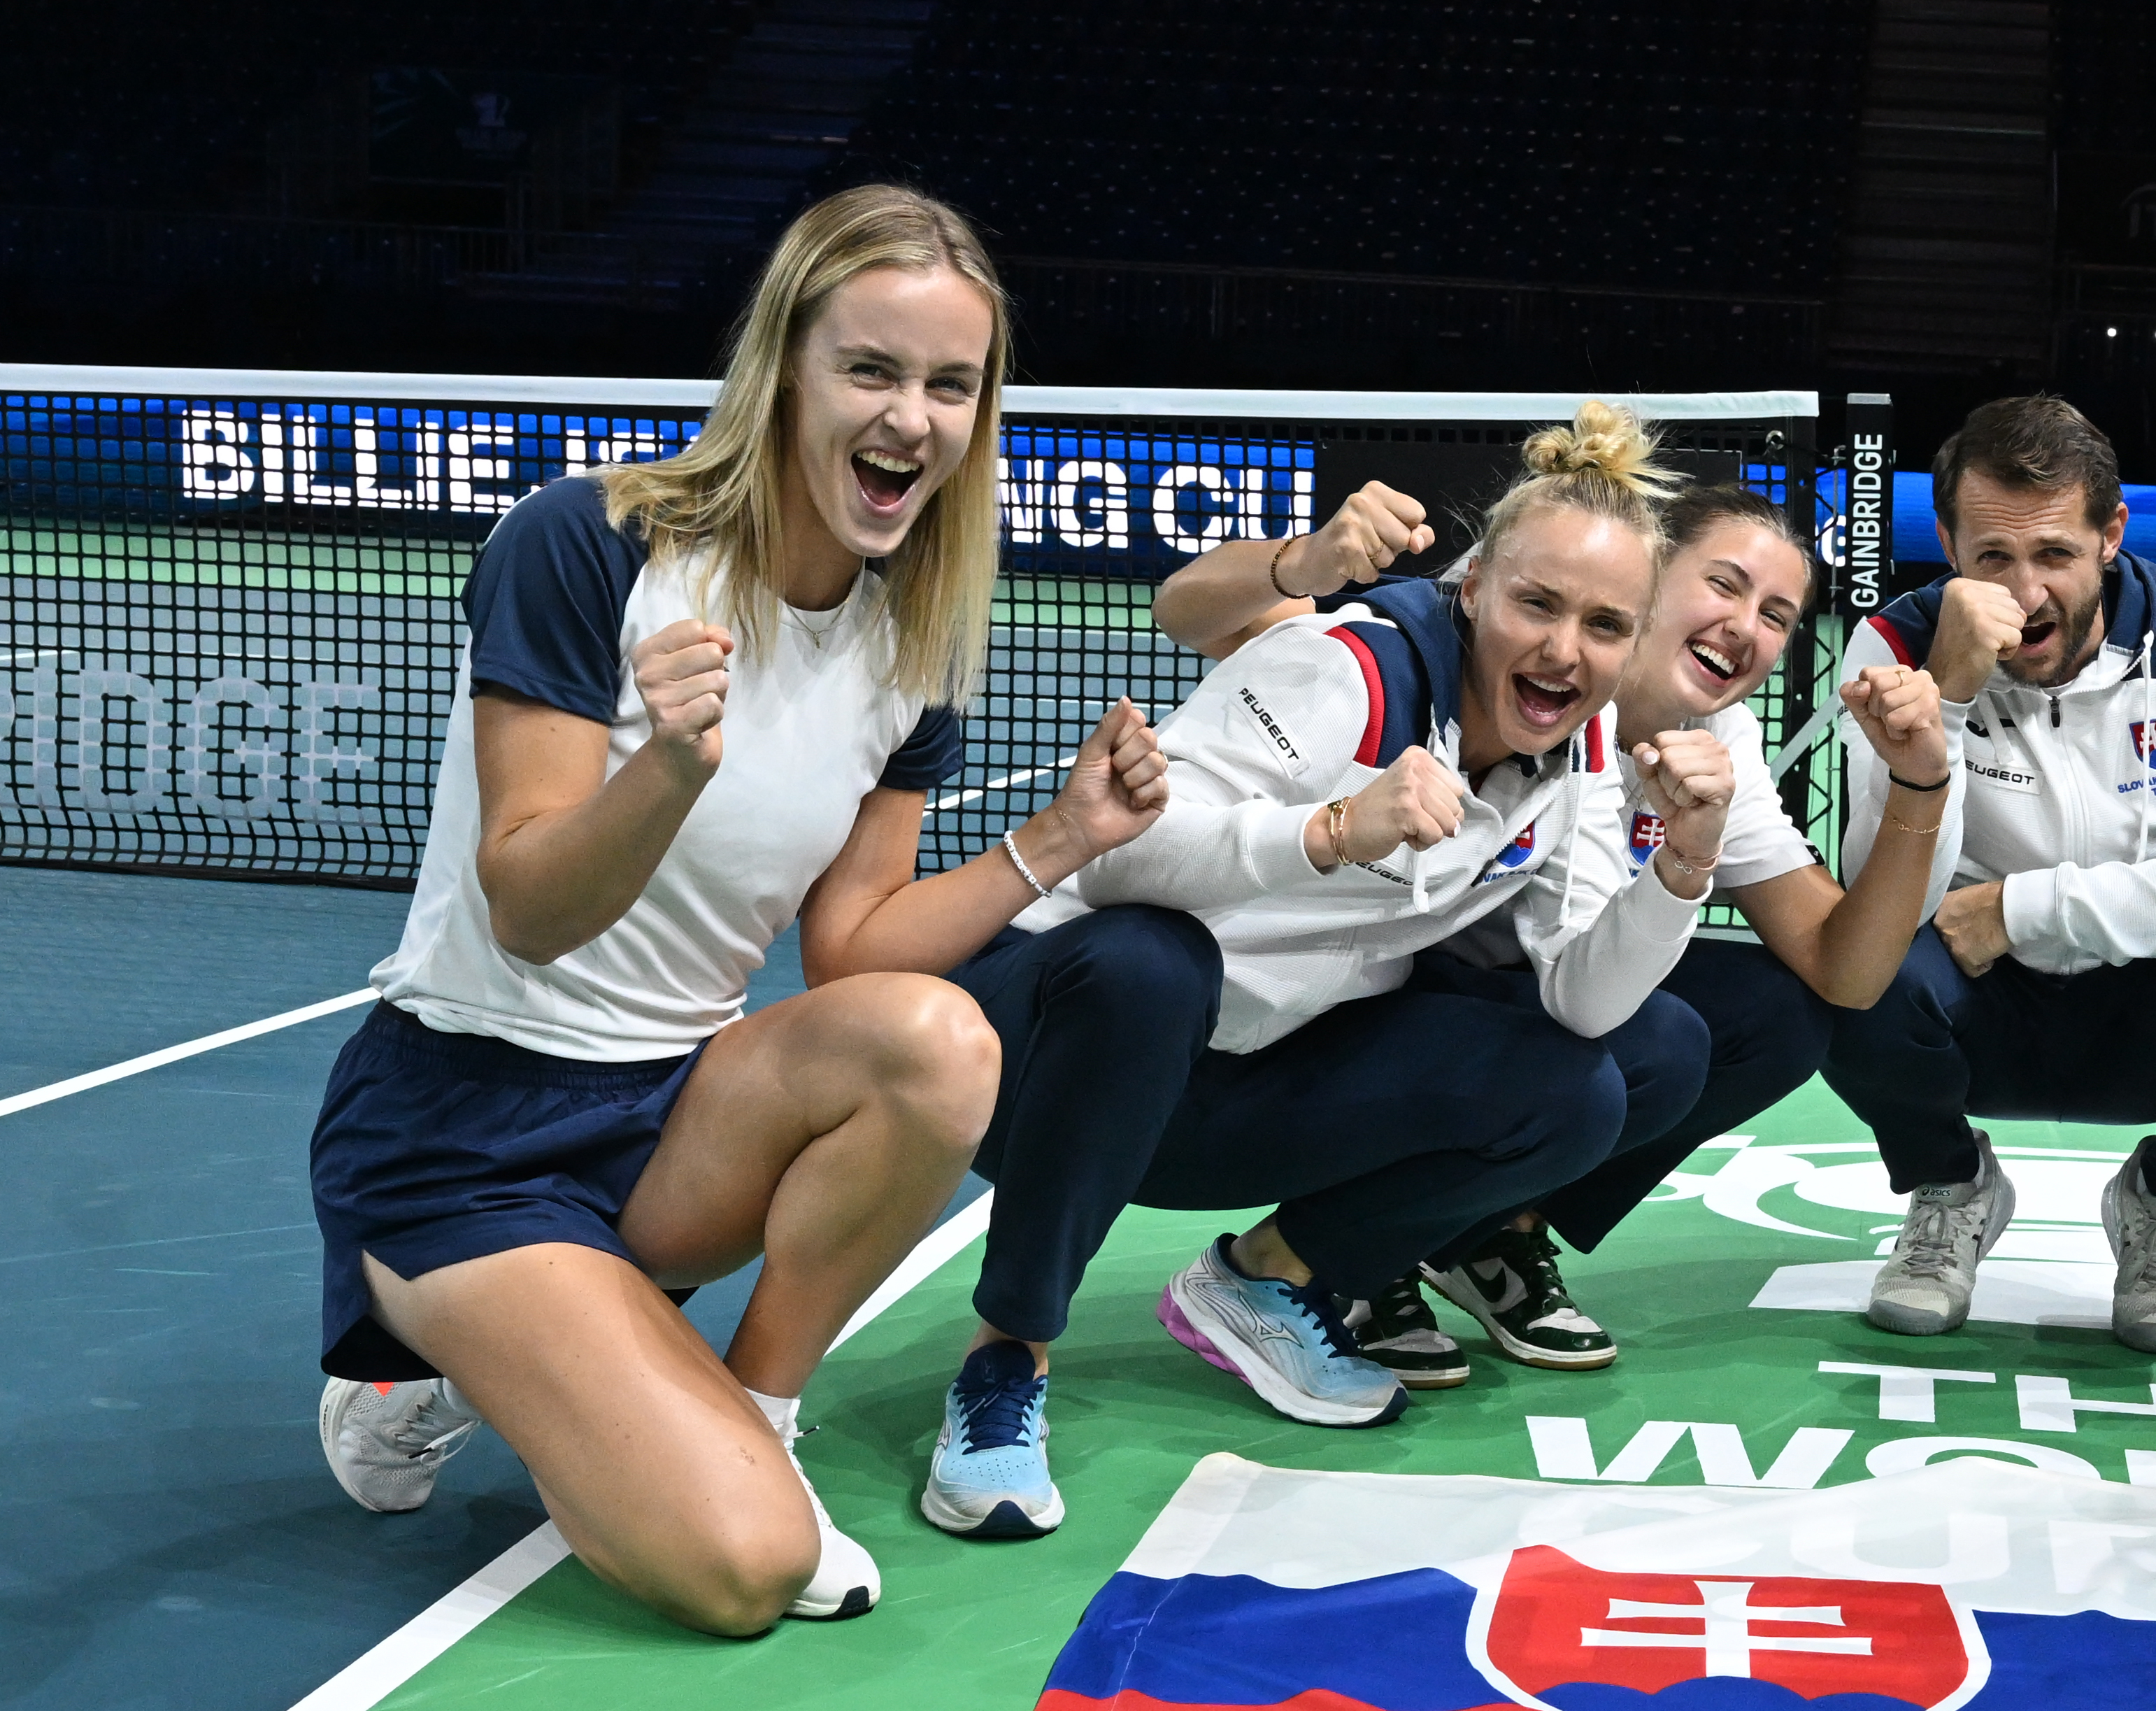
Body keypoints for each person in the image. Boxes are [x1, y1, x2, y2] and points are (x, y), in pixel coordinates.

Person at [306, 185, 1171, 1635]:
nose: (912, 416)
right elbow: (525, 904)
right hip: (458, 1133)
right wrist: (666, 769)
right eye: (872, 369)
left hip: (668, 1125)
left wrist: (1062, 837)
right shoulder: (587, 544)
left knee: (940, 1039)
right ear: (785, 370)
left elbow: (854, 949)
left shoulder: (914, 642)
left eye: (950, 384)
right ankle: (441, 1330)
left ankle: (748, 1410)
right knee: (743, 1572)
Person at [915, 406, 1738, 1528]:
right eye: (1536, 604)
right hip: (1043, 1056)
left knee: (1594, 1079)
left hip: (1232, 1091)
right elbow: (1120, 858)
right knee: (1149, 961)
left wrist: (1682, 864)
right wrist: (1333, 829)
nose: (1562, 650)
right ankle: (1006, 1358)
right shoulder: (1343, 670)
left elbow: (1585, 997)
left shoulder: (1580, 759)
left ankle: (1266, 1280)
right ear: (1473, 587)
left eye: (1604, 624)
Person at [1148, 482, 2011, 1383]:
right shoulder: (1480, 653)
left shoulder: (1716, 737)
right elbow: (1200, 618)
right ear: (1645, 576)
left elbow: (1847, 972)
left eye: (1777, 616)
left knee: (1769, 1017)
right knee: (1631, 1041)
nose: (1746, 627)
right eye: (1724, 585)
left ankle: (1478, 1236)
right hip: (1343, 1007)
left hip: (1528, 1007)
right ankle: (1355, 1251)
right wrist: (1298, 562)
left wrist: (1922, 777)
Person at [1819, 394, 2156, 1356]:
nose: (2024, 596)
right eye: (1990, 557)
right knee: (1846, 977)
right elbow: (1877, 892)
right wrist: (1939, 702)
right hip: (1974, 1000)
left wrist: (2026, 911)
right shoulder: (1896, 647)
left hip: (2154, 998)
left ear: (2110, 534)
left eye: (2054, 554)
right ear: (1945, 540)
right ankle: (1948, 1188)